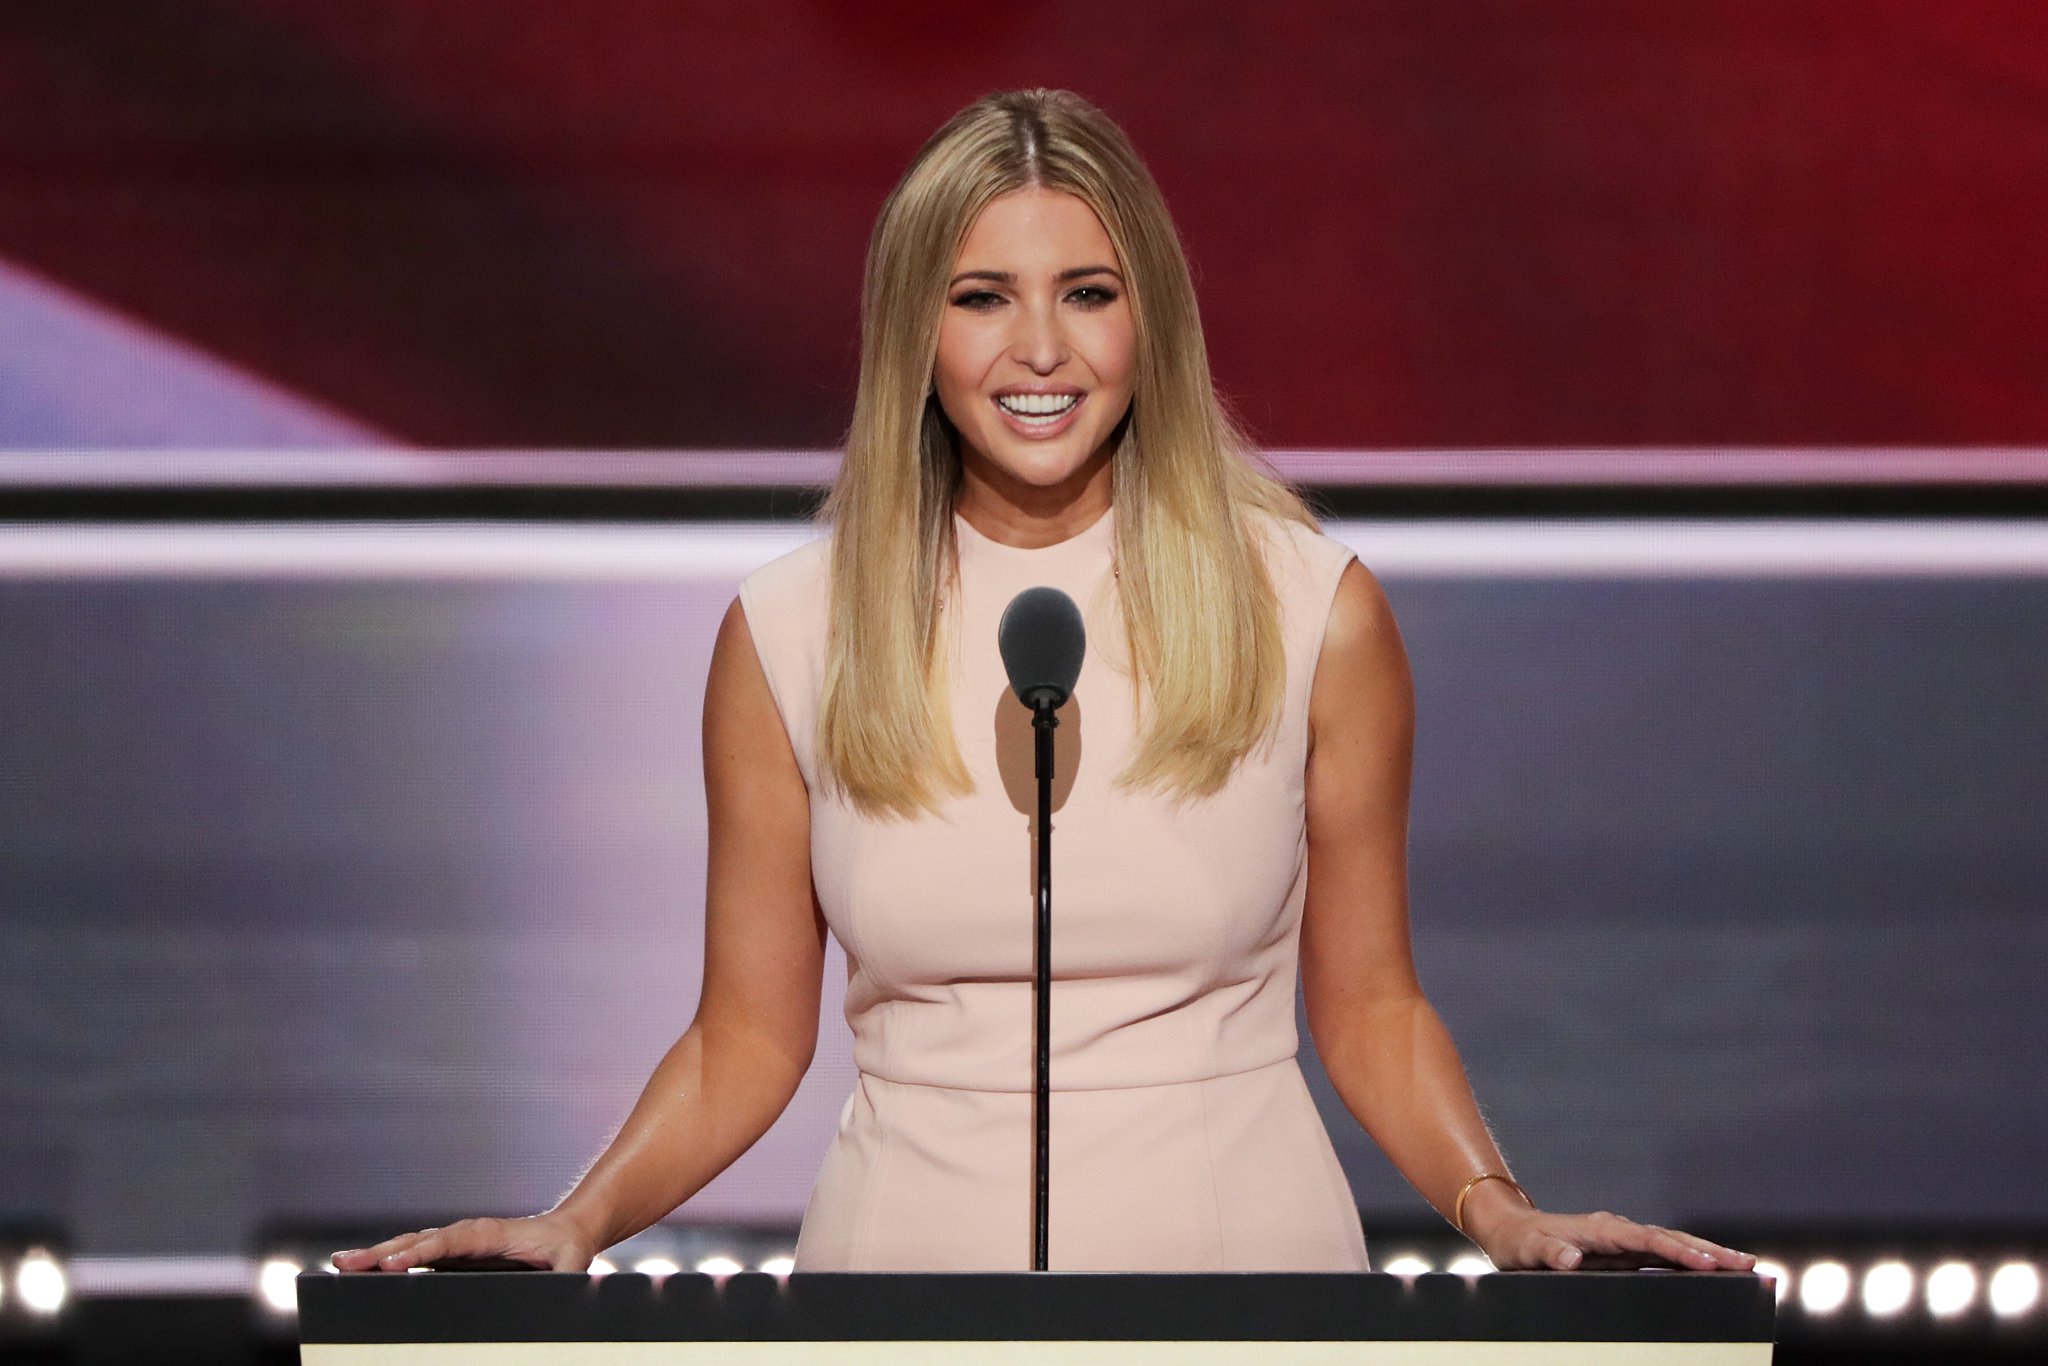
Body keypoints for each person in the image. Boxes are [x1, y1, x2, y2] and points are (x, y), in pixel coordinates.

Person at [334, 89, 1754, 1277]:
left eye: (1087, 293)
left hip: (1243, 1270)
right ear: (916, 330)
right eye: (981, 299)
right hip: (903, 1277)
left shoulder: (1310, 609)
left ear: (1153, 319)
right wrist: (576, 1217)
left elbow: (1371, 1003)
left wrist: (1496, 1207)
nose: (1040, 351)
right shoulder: (790, 629)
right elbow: (746, 1037)